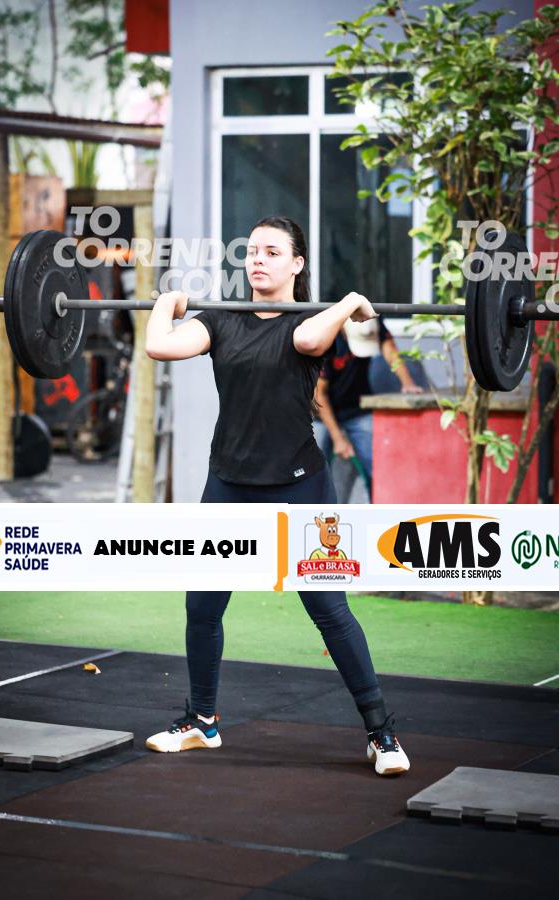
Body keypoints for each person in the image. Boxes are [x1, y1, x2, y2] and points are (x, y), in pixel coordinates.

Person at [144, 215, 410, 776]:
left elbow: (308, 341)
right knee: (202, 606)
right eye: (252, 251)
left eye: (271, 251)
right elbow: (159, 347)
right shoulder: (220, 319)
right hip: (229, 482)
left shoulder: (312, 320)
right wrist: (167, 303)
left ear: (296, 264)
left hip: (300, 485)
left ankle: (381, 733)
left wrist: (350, 301)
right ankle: (202, 721)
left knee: (328, 610)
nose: (258, 259)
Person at [314, 320, 424, 502]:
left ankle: (378, 510)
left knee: (378, 467)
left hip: (357, 408)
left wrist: (408, 383)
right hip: (320, 413)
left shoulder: (372, 321)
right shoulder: (326, 338)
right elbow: (319, 395)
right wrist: (338, 438)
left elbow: (390, 350)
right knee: (315, 472)